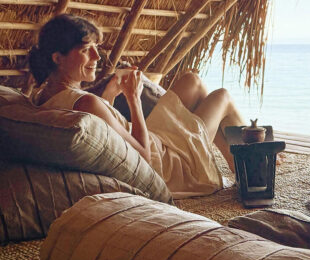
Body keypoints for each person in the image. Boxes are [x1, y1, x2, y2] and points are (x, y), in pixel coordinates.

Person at [28, 14, 245, 198]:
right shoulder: (86, 102)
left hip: (156, 141)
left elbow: (104, 132)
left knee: (192, 82)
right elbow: (143, 157)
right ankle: (248, 162)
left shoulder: (43, 96)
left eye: (96, 48)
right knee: (222, 97)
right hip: (167, 165)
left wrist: (109, 96)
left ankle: (237, 161)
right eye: (86, 50)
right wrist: (134, 99)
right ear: (58, 58)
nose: (97, 56)